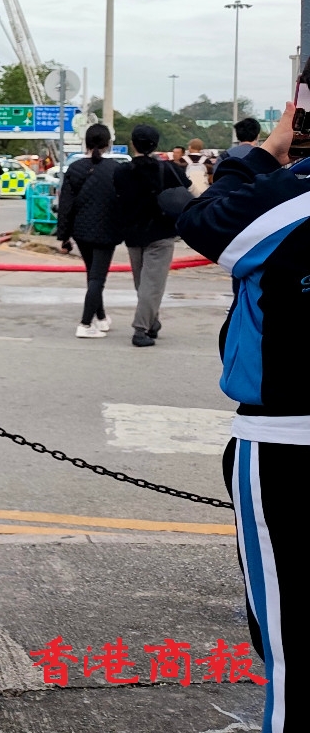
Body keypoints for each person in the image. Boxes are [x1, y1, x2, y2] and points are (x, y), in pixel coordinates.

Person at [176, 101, 308, 730]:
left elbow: (207, 222)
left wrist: (260, 155)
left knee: (288, 641)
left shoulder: (293, 201)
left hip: (287, 440)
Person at [113, 124, 188, 348]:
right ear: (156, 145)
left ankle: (152, 322)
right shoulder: (168, 169)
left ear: (132, 144)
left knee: (142, 283)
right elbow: (187, 189)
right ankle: (141, 329)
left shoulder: (122, 171)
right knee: (152, 284)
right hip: (161, 232)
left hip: (133, 233)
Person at [57, 124, 121, 338]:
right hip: (107, 230)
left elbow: (65, 204)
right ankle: (85, 324)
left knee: (93, 275)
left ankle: (100, 318)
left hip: (81, 231)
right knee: (97, 278)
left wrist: (64, 236)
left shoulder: (75, 168)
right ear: (108, 143)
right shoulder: (115, 169)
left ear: (85, 142)